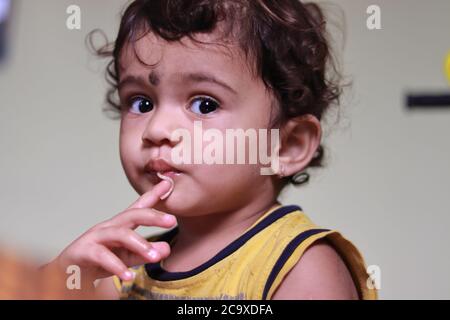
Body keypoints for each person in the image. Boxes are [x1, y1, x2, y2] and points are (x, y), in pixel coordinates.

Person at [43, 0, 378, 300]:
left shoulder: (299, 267)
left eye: (204, 105)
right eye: (142, 102)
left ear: (286, 145)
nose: (156, 130)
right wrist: (59, 282)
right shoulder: (123, 274)